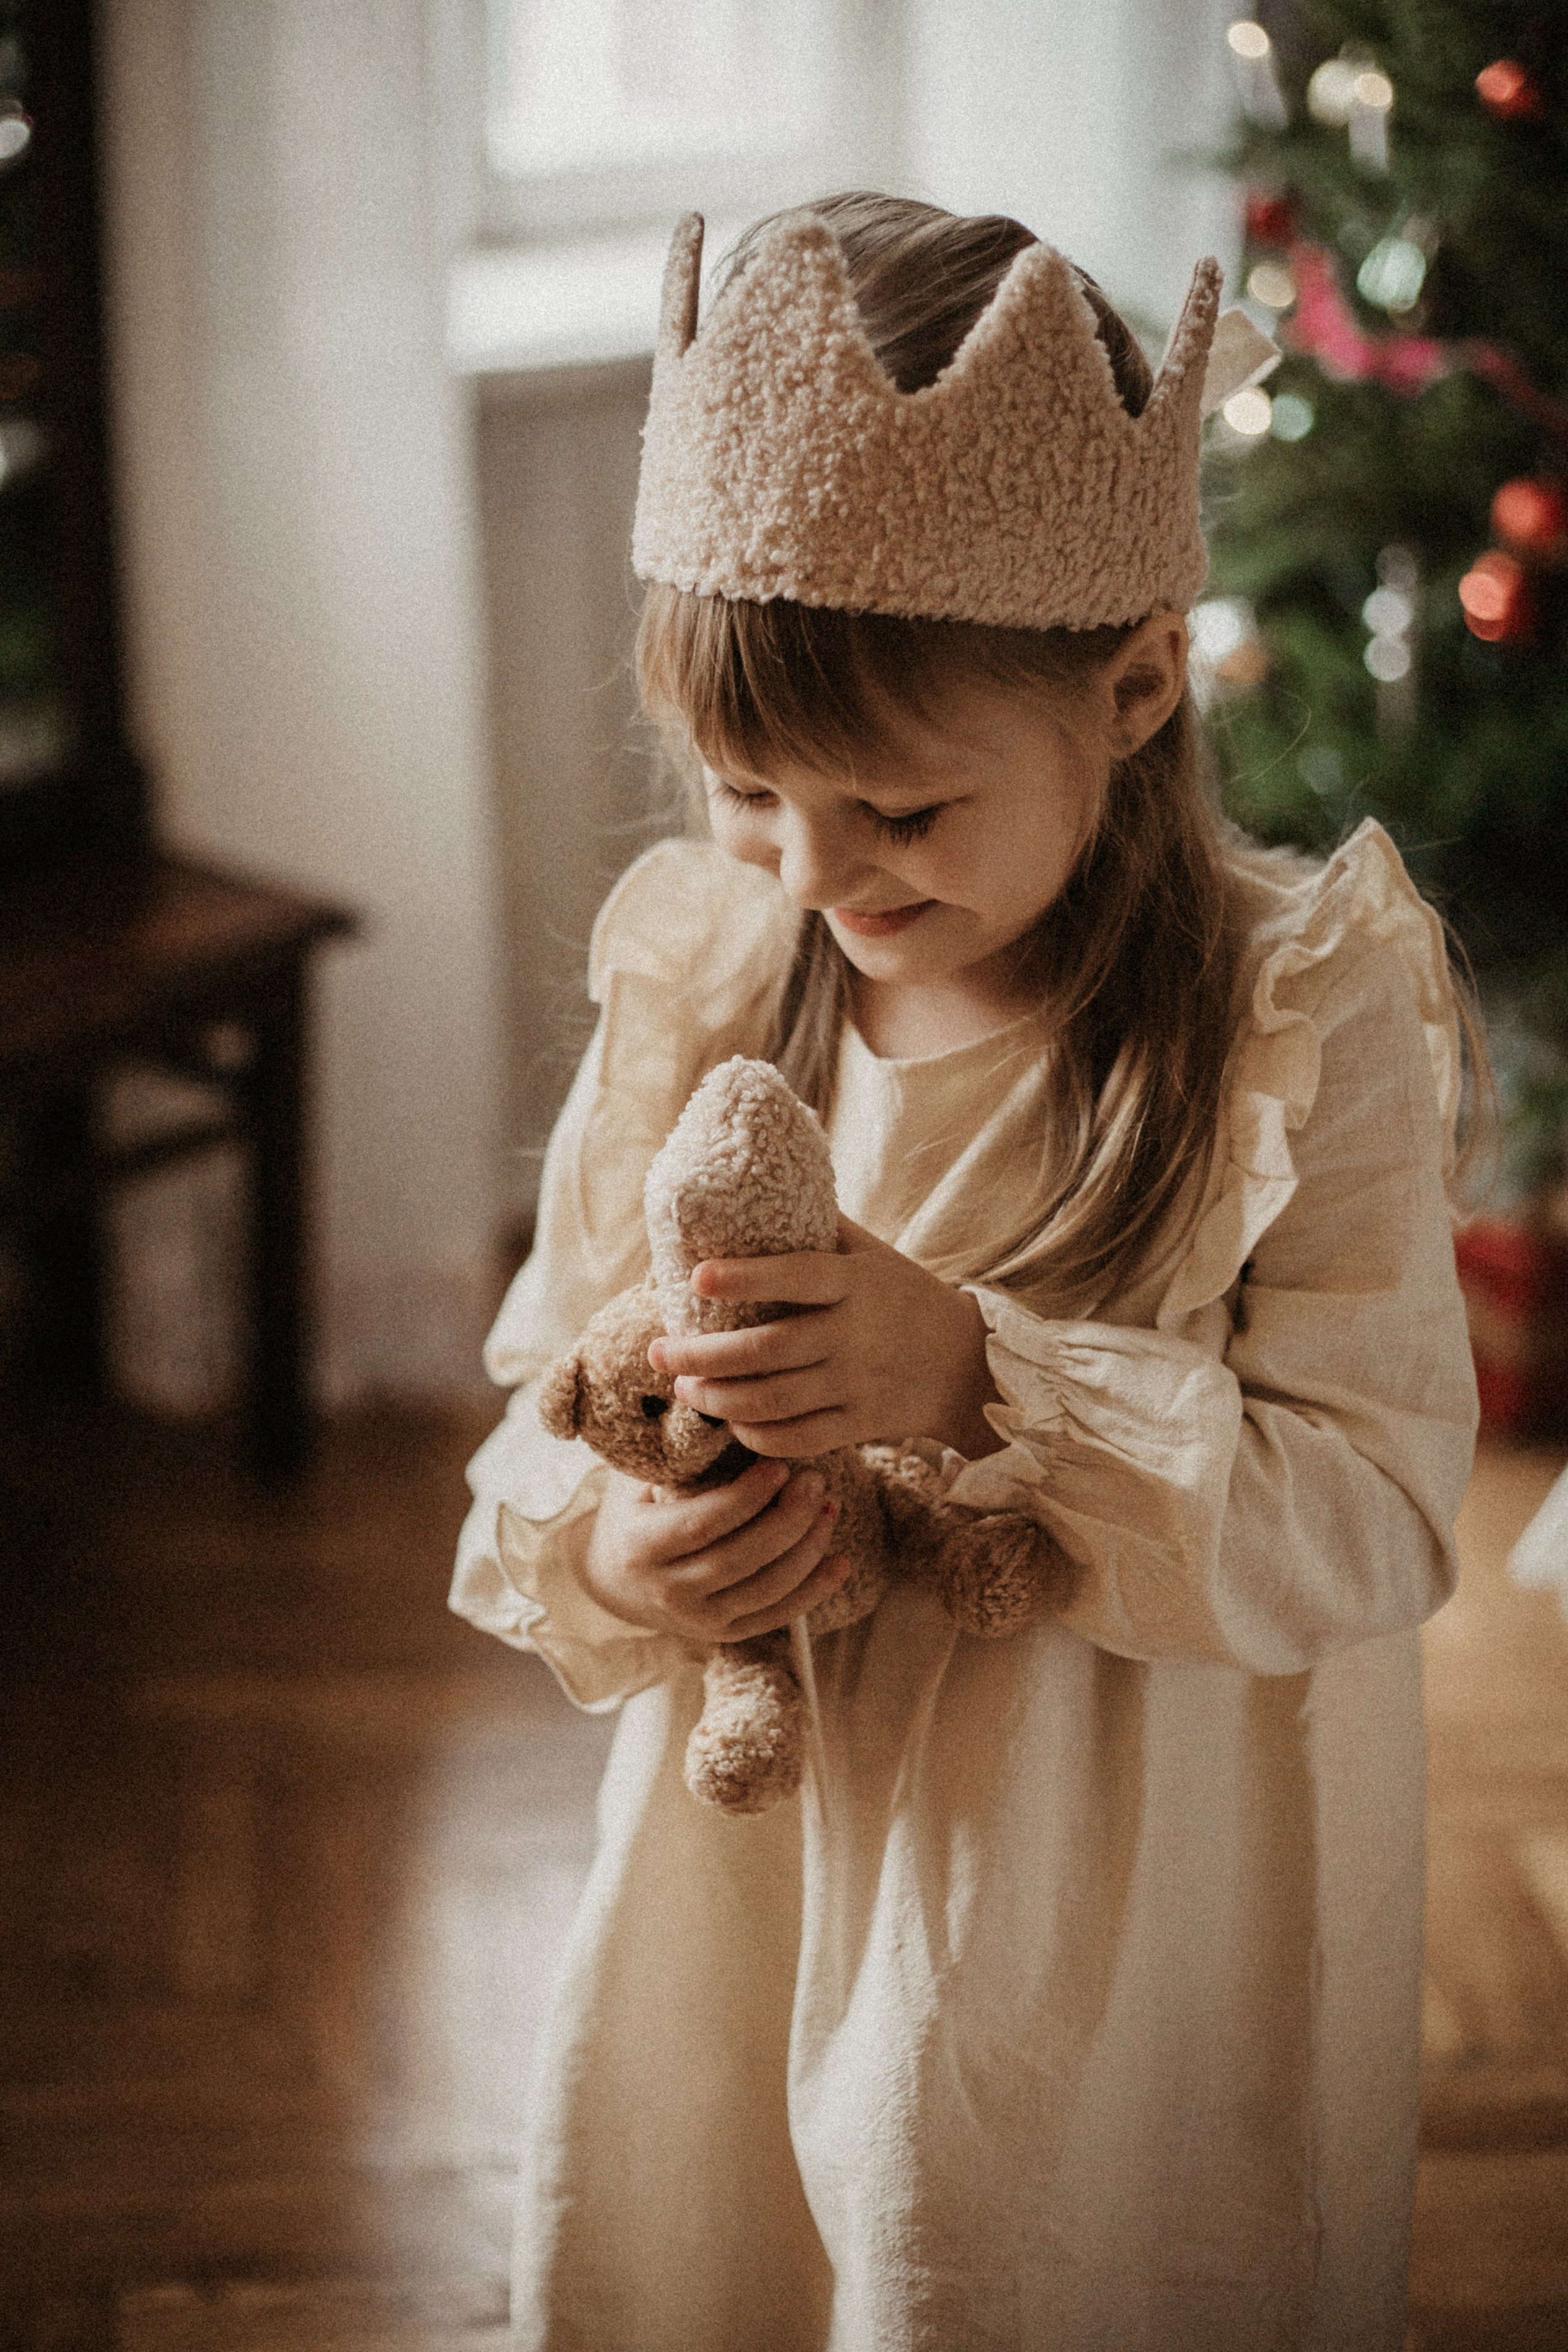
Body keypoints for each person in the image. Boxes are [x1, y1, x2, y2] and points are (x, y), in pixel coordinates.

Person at [451, 193, 1480, 2352]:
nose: (819, 876)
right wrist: (631, 1558)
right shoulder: (712, 980)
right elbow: (552, 1404)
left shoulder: (1299, 1020)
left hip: (1123, 1911)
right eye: (747, 791)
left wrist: (981, 1380)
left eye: (902, 812)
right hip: (751, 1866)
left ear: (1134, 686)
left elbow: (1376, 1518)